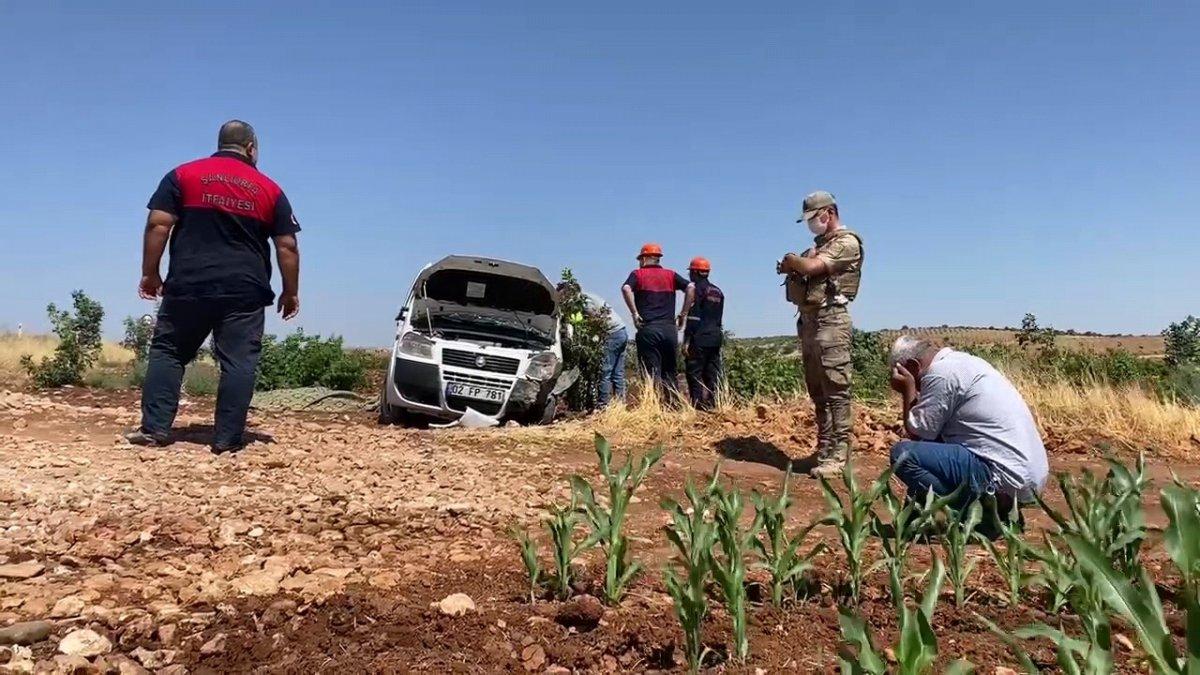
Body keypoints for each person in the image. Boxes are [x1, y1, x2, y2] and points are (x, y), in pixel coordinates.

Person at [125, 120, 301, 453]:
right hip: (245, 290)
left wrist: (150, 272)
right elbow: (287, 246)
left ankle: (154, 430)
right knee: (239, 362)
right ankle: (227, 439)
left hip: (189, 283)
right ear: (251, 148)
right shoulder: (270, 189)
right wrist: (290, 292)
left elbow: (158, 223)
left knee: (169, 351)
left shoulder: (183, 175)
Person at [887, 335, 1049, 531]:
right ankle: (919, 517)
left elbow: (919, 432)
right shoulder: (964, 363)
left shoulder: (941, 373)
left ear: (913, 366)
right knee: (930, 452)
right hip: (1023, 477)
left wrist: (908, 390)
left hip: (1000, 475)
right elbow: (932, 441)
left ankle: (975, 515)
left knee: (903, 455)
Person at [777, 190, 864, 478]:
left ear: (829, 212)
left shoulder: (846, 242)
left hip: (831, 321)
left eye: (814, 218)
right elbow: (799, 270)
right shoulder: (819, 246)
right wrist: (793, 265)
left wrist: (793, 261)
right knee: (818, 391)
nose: (812, 224)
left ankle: (839, 455)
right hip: (810, 320)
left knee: (836, 388)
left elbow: (811, 266)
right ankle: (824, 449)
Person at [622, 243, 695, 399]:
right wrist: (683, 314)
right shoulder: (671, 274)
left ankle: (653, 408)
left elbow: (626, 288)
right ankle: (672, 408)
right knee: (670, 372)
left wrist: (634, 313)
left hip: (648, 329)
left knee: (650, 372)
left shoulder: (638, 274)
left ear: (645, 258)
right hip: (670, 330)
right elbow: (690, 287)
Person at [558, 283, 630, 407]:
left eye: (562, 296)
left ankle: (603, 406)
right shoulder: (589, 296)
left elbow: (596, 319)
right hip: (621, 331)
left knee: (605, 371)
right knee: (617, 372)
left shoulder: (584, 302)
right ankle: (620, 405)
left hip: (612, 334)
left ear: (568, 293)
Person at [683, 257, 725, 411]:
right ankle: (715, 404)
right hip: (715, 337)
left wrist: (687, 340)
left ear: (694, 272)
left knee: (694, 373)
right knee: (712, 373)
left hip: (699, 338)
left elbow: (693, 318)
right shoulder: (718, 291)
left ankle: (698, 407)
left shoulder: (695, 290)